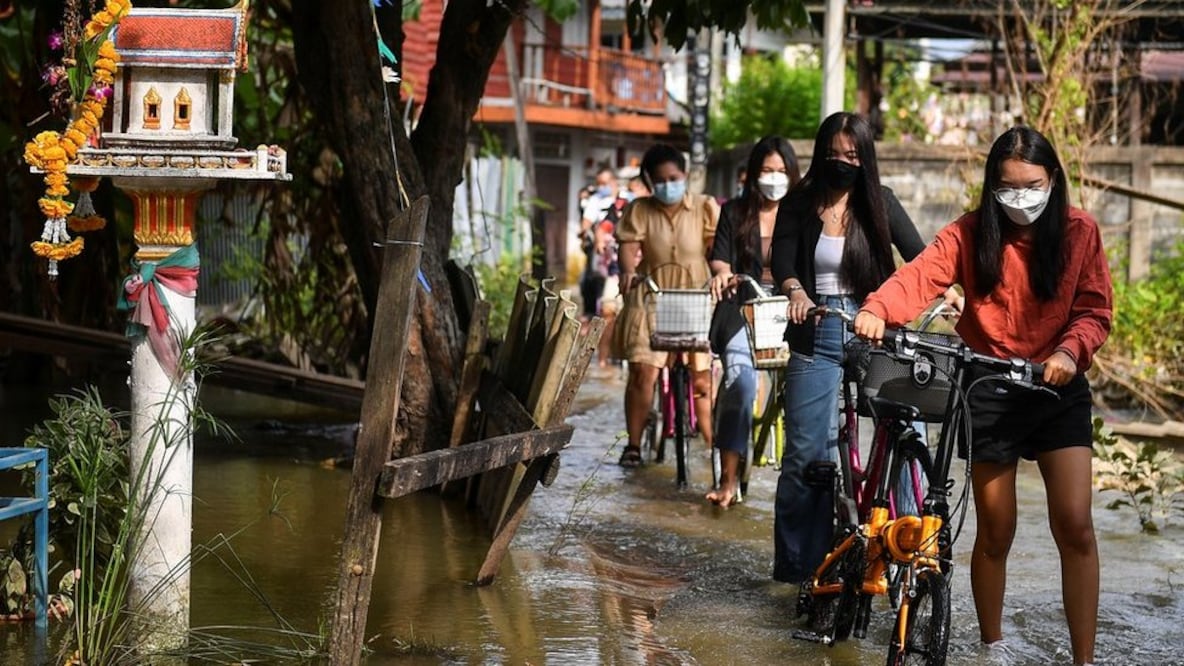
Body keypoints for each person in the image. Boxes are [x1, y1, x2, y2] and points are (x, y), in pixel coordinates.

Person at [853, 126, 1112, 666]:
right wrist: (877, 310)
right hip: (988, 385)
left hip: (1057, 385)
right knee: (996, 530)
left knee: (1076, 524)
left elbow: (1094, 310)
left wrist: (1068, 353)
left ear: (1054, 181)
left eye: (1032, 187)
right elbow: (920, 276)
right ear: (992, 187)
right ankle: (993, 649)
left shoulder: (1081, 232)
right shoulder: (970, 234)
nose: (1021, 200)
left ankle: (1084, 661)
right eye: (1008, 189)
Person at [769, 111, 957, 584]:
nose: (841, 162)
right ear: (820, 153)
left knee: (907, 428)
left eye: (852, 154)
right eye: (833, 153)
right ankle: (802, 571)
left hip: (877, 327)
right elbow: (783, 261)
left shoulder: (882, 204)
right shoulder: (799, 204)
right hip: (817, 328)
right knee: (807, 456)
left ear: (866, 158)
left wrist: (950, 292)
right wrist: (796, 291)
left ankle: (914, 550)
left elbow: (923, 259)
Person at [705, 136, 801, 507]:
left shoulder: (803, 214)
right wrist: (722, 275)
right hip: (742, 310)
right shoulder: (734, 212)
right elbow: (720, 258)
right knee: (742, 384)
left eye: (781, 171)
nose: (774, 178)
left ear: (792, 175)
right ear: (753, 174)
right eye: (767, 171)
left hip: (790, 311)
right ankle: (728, 480)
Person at [613, 143, 719, 467]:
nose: (668, 184)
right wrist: (629, 272)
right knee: (643, 371)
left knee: (702, 376)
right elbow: (629, 249)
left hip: (695, 298)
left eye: (673, 177)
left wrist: (723, 276)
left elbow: (717, 250)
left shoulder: (705, 207)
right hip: (652, 297)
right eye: (660, 180)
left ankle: (711, 441)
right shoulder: (639, 210)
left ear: (684, 175)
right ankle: (633, 444)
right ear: (649, 182)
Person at [579, 167, 625, 323]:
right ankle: (593, 313)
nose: (601, 187)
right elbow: (588, 223)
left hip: (620, 251)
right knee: (594, 279)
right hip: (601, 251)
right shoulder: (596, 200)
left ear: (613, 182)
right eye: (598, 184)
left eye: (604, 183)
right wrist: (591, 237)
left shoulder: (624, 200)